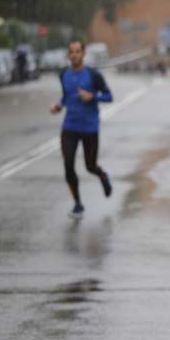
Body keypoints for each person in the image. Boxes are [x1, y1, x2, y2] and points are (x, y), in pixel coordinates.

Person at [49, 40, 113, 217]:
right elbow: (66, 96)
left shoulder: (93, 75)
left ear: (83, 54)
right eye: (72, 52)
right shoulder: (64, 74)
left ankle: (103, 176)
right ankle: (78, 204)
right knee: (68, 164)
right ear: (68, 55)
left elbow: (109, 96)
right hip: (70, 126)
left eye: (78, 51)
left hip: (90, 127)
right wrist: (58, 105)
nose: (75, 55)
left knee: (90, 166)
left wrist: (92, 96)